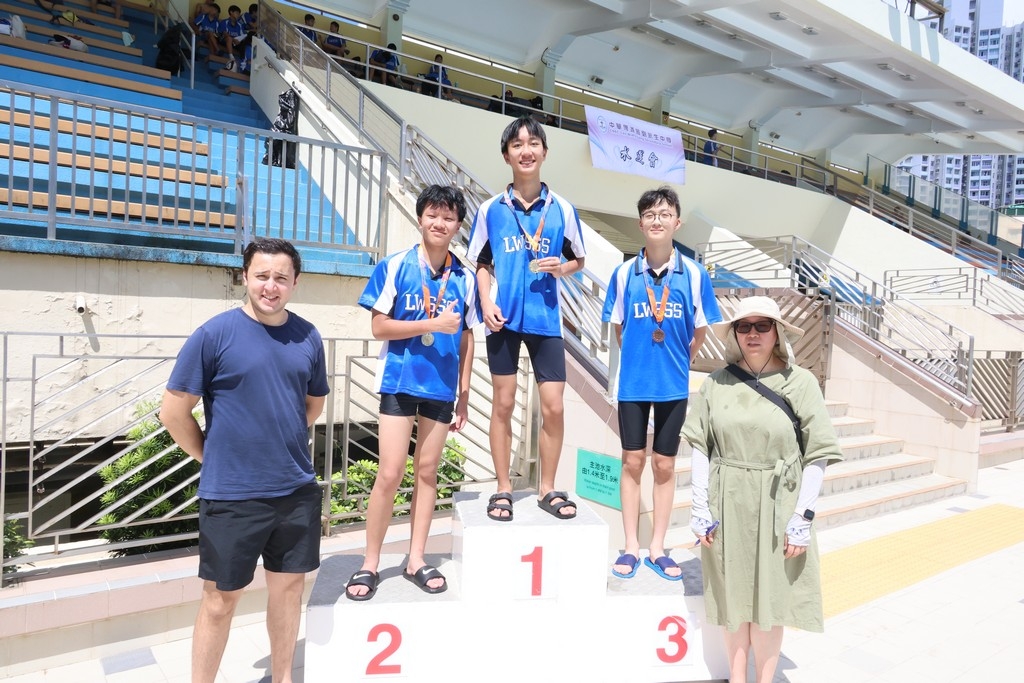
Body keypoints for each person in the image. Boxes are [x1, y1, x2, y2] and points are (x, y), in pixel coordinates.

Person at [160, 238, 330, 683]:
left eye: (281, 278)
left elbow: (313, 404)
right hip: (232, 495)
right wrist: (211, 455)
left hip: (295, 490)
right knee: (220, 600)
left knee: (288, 590)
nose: (270, 286)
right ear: (245, 277)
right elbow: (173, 412)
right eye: (262, 276)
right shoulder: (213, 335)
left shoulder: (308, 336)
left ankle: (282, 677)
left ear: (295, 282)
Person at [681, 296, 843, 683]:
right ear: (735, 334)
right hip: (727, 500)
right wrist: (699, 507)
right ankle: (737, 677)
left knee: (771, 600)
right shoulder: (716, 383)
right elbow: (700, 446)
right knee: (732, 595)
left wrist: (802, 517)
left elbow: (818, 452)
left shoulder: (801, 382)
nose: (753, 333)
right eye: (744, 326)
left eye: (763, 325)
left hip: (778, 501)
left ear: (778, 333)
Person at [347, 185, 480, 600]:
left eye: (449, 218)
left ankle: (416, 559)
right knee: (390, 473)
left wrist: (464, 393)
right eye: (433, 215)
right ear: (420, 218)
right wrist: (431, 325)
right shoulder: (395, 266)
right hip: (400, 381)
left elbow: (467, 337)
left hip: (441, 387)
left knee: (427, 473)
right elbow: (379, 326)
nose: (440, 223)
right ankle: (370, 563)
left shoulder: (465, 278)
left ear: (458, 226)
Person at [466, 116, 586, 522]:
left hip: (546, 320)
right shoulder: (490, 210)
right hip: (502, 319)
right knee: (503, 403)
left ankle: (547, 488)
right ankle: (503, 487)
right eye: (517, 145)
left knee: (553, 407)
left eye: (533, 143)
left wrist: (561, 268)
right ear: (506, 155)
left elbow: (579, 259)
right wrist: (485, 302)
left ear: (544, 152)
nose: (526, 150)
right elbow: (481, 263)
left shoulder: (562, 209)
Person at [602, 186, 721, 581]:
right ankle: (630, 546)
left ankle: (657, 548)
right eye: (650, 214)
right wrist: (640, 357)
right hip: (633, 385)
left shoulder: (695, 274)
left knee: (665, 464)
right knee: (632, 461)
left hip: (673, 386)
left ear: (677, 223)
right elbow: (619, 327)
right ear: (640, 224)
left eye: (665, 214)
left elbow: (700, 329)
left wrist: (679, 361)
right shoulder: (623, 274)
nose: (657, 220)